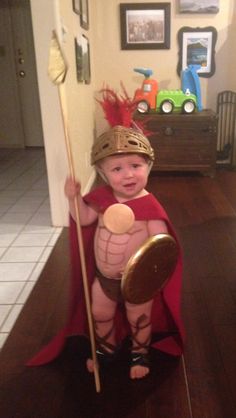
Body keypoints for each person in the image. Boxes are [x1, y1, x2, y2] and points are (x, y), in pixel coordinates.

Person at [64, 125, 183, 379]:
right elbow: (83, 219)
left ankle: (140, 353)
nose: (128, 175)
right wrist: (73, 199)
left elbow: (161, 248)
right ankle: (106, 350)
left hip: (137, 281)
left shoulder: (149, 207)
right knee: (100, 313)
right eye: (117, 168)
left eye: (136, 166)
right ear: (103, 173)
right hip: (104, 277)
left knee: (139, 317)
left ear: (148, 166)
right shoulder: (102, 200)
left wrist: (148, 273)